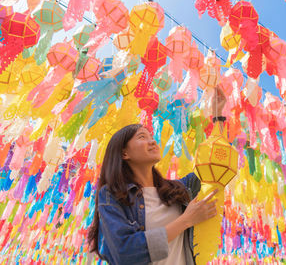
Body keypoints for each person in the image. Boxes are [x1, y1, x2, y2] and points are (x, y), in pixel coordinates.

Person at [88, 87, 227, 265]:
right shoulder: (112, 194)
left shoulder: (179, 189)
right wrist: (185, 220)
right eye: (142, 137)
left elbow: (215, 163)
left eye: (151, 136)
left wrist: (217, 116)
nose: (152, 141)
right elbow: (124, 252)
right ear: (124, 154)